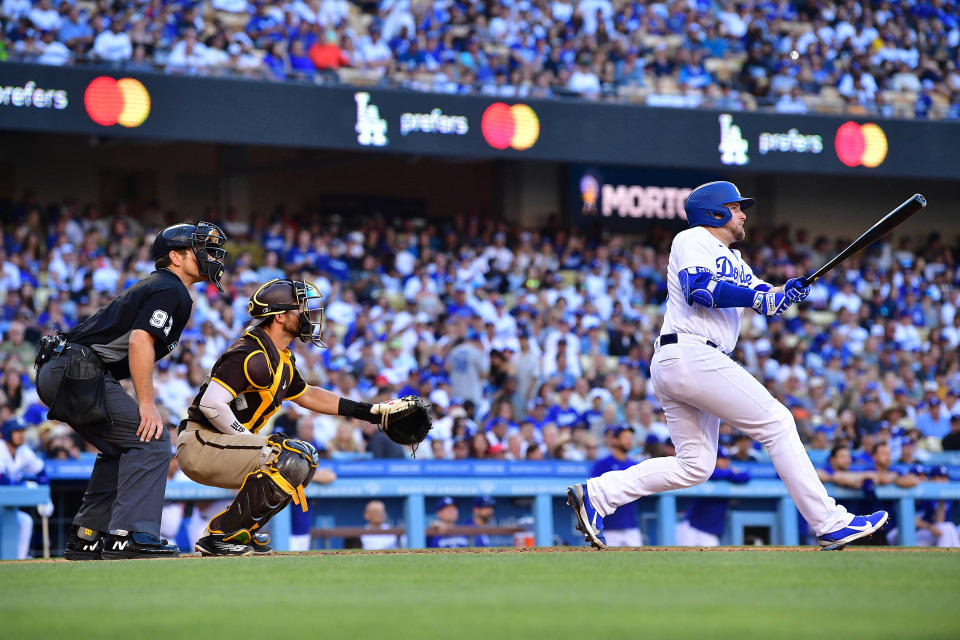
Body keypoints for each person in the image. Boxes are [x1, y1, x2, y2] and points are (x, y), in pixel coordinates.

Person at [567, 181, 887, 551]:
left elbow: (765, 300)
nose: (742, 214)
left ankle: (598, 495)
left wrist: (785, 292)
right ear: (714, 211)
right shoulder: (693, 239)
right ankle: (829, 522)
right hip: (691, 352)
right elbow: (699, 290)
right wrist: (759, 295)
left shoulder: (736, 261)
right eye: (735, 207)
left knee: (695, 465)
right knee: (778, 422)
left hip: (686, 360)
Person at [176, 278, 414, 556]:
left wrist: (371, 412)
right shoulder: (250, 352)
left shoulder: (280, 357)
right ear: (279, 316)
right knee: (289, 457)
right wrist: (252, 441)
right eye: (300, 308)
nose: (307, 315)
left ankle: (237, 531)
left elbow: (310, 395)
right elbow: (212, 404)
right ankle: (219, 535)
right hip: (201, 443)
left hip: (221, 444)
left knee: (305, 461)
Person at [35, 222, 228, 560]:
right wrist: (147, 403)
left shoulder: (164, 287)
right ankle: (130, 535)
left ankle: (88, 535)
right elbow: (140, 340)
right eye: (199, 249)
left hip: (66, 370)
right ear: (176, 257)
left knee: (121, 446)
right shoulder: (171, 288)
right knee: (151, 439)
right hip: (76, 370)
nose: (209, 255)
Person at [675, 447, 750, 547]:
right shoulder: (707, 472)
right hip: (691, 527)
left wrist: (730, 474)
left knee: (712, 559)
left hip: (710, 532)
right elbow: (711, 474)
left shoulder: (727, 476)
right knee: (682, 558)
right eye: (722, 459)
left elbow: (746, 476)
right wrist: (731, 473)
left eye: (727, 459)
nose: (726, 462)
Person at [0, 418, 46, 558]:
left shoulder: (23, 451)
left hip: (5, 507)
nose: (21, 435)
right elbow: (1, 478)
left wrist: (46, 497)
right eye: (16, 431)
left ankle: (19, 559)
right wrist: (21, 485)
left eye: (22, 431)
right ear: (8, 434)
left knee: (25, 521)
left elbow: (41, 472)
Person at [589, 425, 641, 547]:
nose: (629, 441)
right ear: (615, 440)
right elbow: (593, 491)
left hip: (631, 526)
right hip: (609, 527)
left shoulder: (634, 465)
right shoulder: (603, 464)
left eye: (630, 437)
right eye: (625, 437)